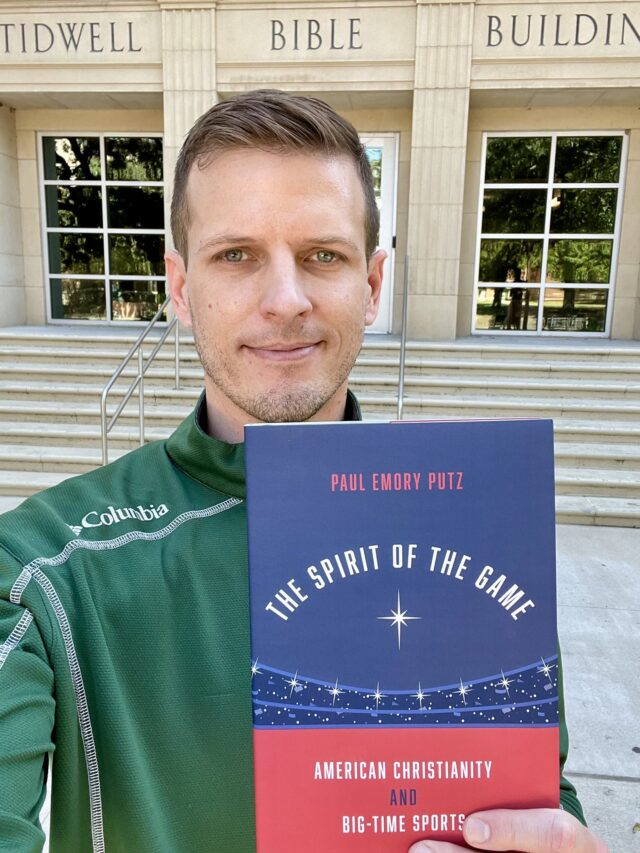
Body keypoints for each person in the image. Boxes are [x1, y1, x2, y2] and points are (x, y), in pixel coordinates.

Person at [0, 90, 606, 852]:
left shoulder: (477, 527)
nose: (285, 300)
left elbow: (539, 791)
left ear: (373, 284)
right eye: (236, 255)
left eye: (323, 254)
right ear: (181, 288)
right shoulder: (40, 567)